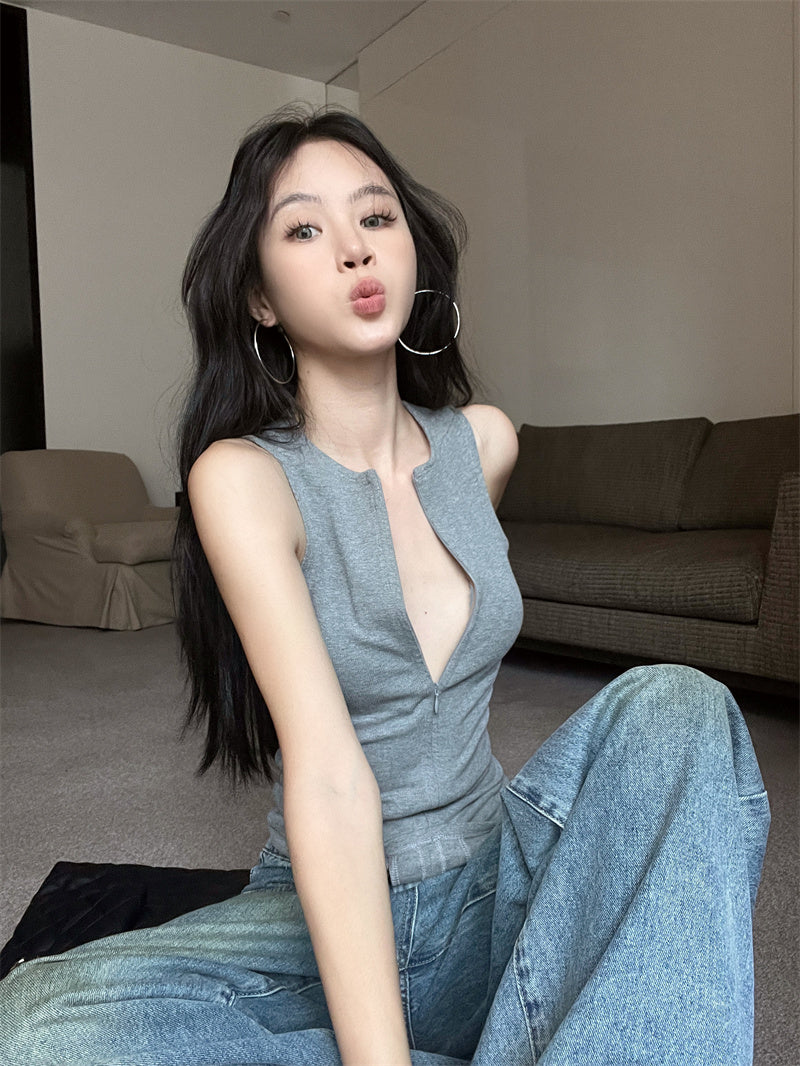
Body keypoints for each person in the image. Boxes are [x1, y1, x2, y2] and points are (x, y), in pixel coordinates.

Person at [0, 107, 770, 1066]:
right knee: (35, 1025)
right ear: (259, 298)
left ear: (413, 252)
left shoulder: (485, 443)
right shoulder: (243, 479)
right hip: (317, 917)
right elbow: (328, 775)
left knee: (682, 708)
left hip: (497, 883)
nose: (354, 249)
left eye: (376, 217)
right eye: (304, 229)